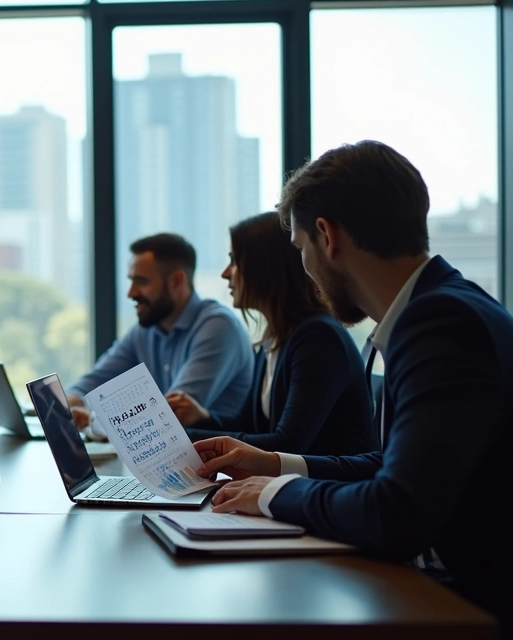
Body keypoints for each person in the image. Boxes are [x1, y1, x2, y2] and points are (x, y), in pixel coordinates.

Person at [194, 140, 511, 631]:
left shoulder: (440, 322)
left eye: (300, 248)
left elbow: (396, 512)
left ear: (327, 236)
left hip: (471, 607)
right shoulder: (436, 310)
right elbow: (389, 465)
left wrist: (274, 493)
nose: (305, 266)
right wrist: (274, 465)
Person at [165, 212, 376, 456]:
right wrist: (203, 417)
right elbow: (248, 425)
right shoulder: (276, 337)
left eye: (234, 261)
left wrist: (181, 438)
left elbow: (285, 446)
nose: (225, 273)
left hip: (327, 481)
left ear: (266, 267)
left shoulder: (317, 338)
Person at [68, 233, 252, 435]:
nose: (131, 293)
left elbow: (169, 415)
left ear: (176, 281)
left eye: (141, 281)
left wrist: (93, 421)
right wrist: (72, 406)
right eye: (131, 281)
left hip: (218, 453)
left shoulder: (218, 327)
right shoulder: (145, 330)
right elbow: (91, 383)